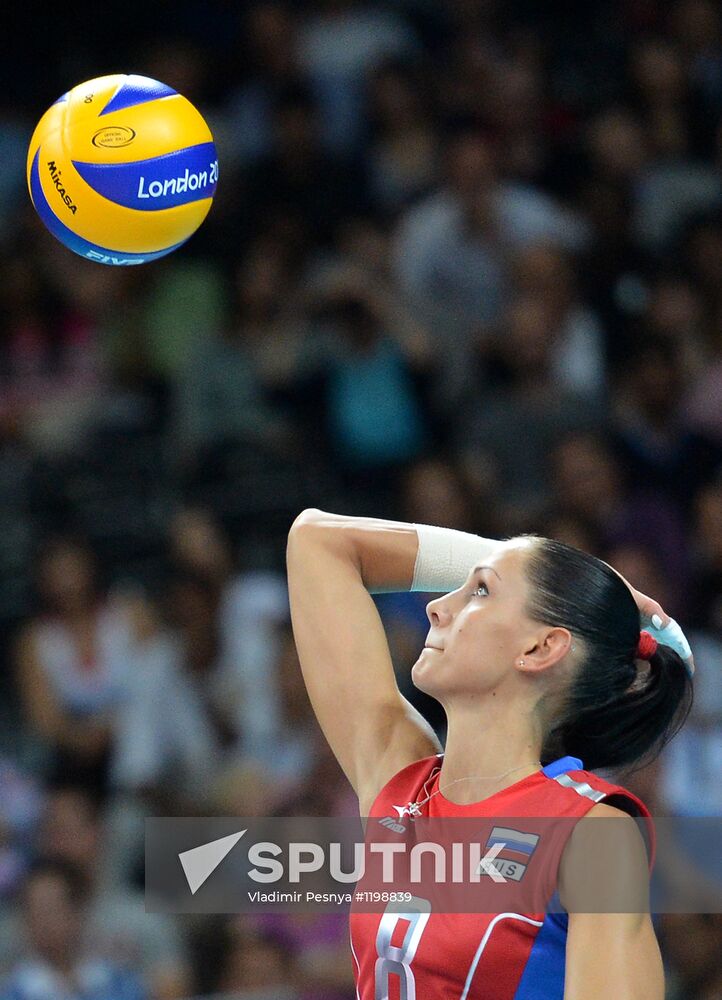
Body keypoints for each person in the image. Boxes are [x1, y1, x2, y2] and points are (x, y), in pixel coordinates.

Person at [286, 511, 694, 999]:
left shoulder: (590, 830)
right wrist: (569, 576)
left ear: (541, 647)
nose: (437, 606)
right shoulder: (399, 780)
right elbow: (316, 541)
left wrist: (551, 575)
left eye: (478, 591)